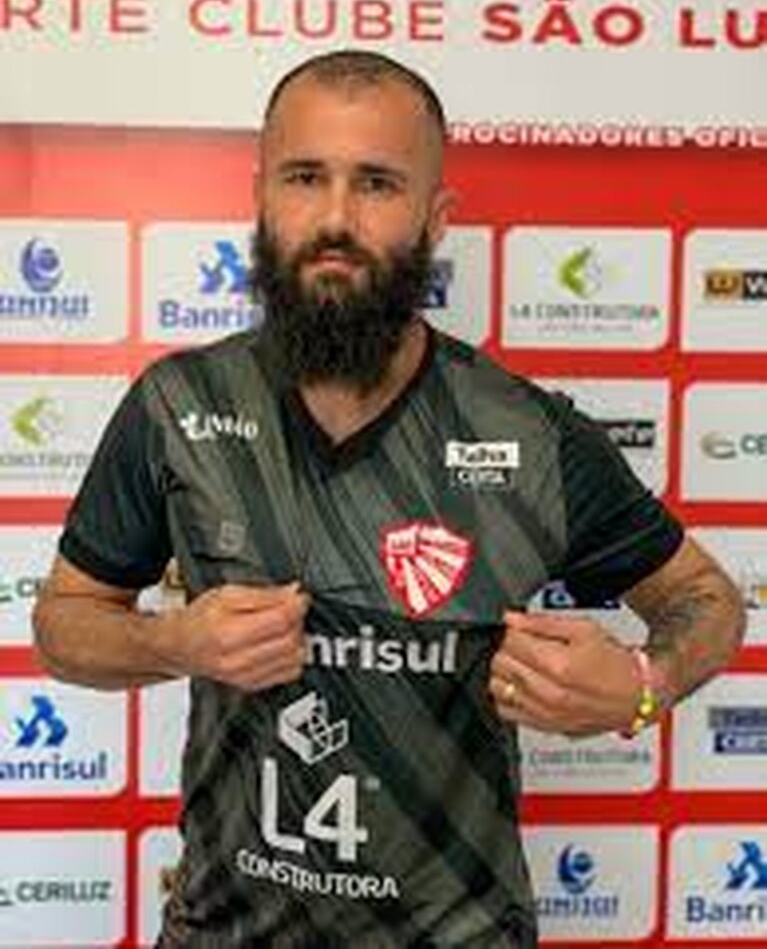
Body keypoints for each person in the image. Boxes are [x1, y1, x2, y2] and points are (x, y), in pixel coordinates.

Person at [32, 49, 745, 949]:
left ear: (433, 217)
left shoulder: (527, 432)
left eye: (376, 183)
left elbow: (706, 599)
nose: (334, 218)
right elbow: (65, 623)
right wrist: (170, 639)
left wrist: (646, 686)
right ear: (261, 197)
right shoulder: (178, 405)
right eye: (304, 177)